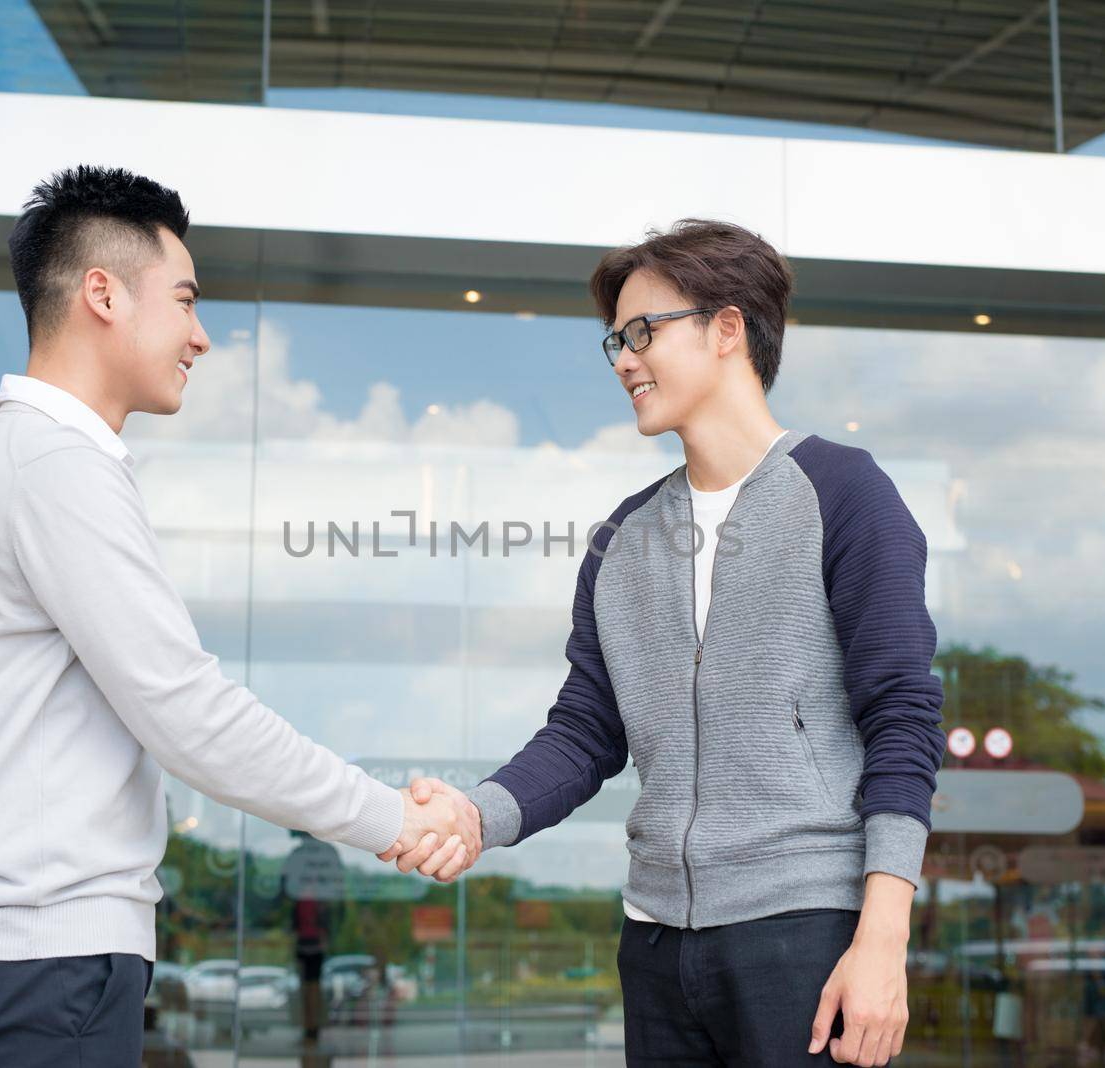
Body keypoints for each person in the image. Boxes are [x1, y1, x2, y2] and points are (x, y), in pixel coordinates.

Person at [0, 166, 470, 1067]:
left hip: (22, 957)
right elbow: (187, 712)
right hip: (42, 961)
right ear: (102, 294)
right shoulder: (55, 464)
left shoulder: (26, 458)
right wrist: (390, 817)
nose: (201, 337)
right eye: (185, 301)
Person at [389, 220, 946, 1066]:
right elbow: (584, 732)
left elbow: (902, 719)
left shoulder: (846, 495)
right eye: (615, 339)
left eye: (643, 332)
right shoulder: (623, 540)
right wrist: (474, 816)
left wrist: (883, 936)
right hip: (654, 946)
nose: (622, 358)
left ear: (728, 329)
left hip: (803, 932)